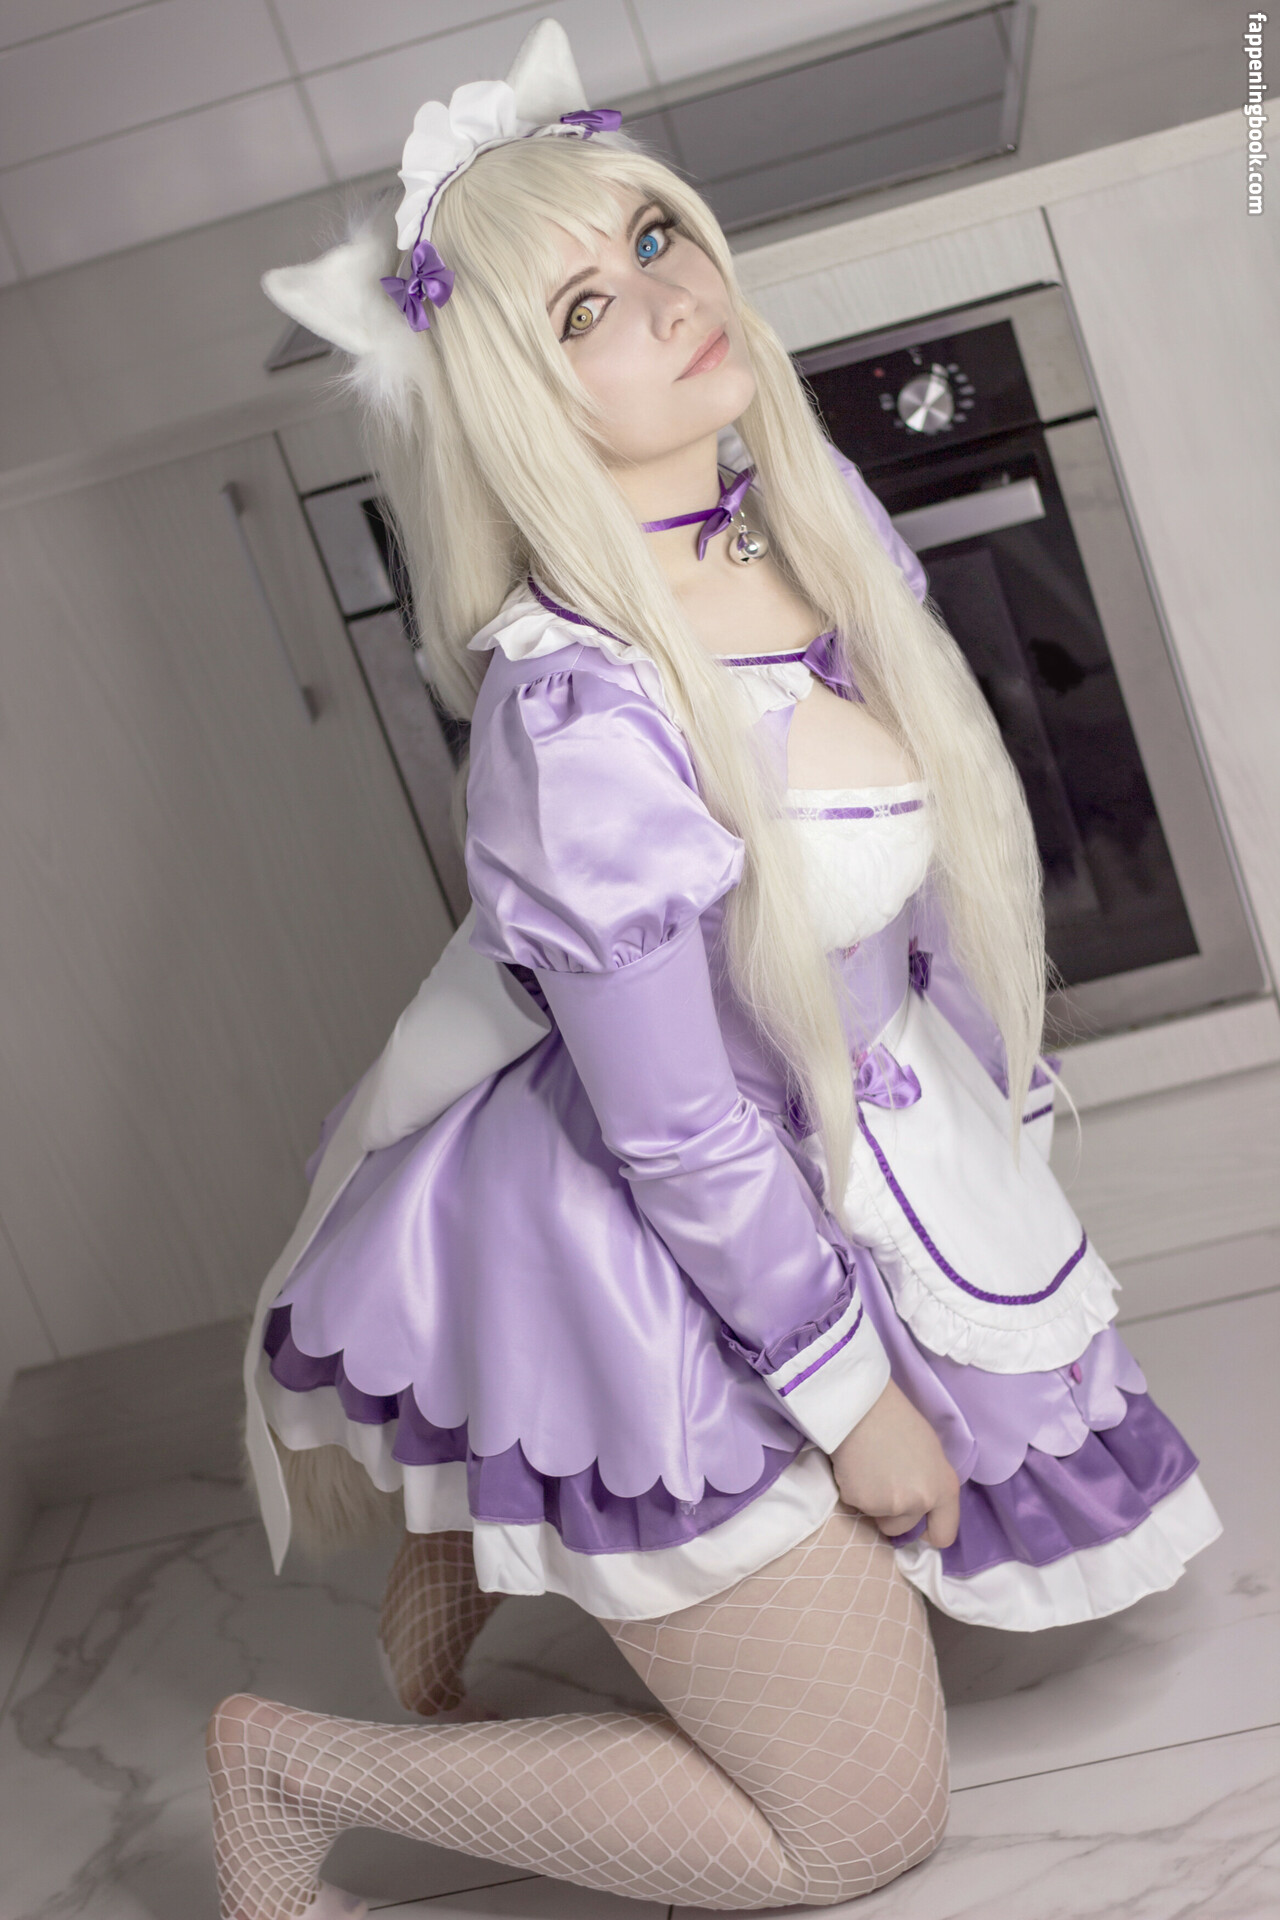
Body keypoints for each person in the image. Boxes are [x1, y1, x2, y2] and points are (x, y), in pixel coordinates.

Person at [206, 21, 1222, 1919]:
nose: (674, 298)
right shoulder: (580, 711)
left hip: (794, 1161)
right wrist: (858, 1408)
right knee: (860, 1824)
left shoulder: (805, 531)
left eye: (657, 239)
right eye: (589, 305)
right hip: (643, 1243)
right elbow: (675, 1130)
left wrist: (987, 1148)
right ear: (517, 398)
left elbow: (919, 913)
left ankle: (472, 1544)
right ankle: (293, 1767)